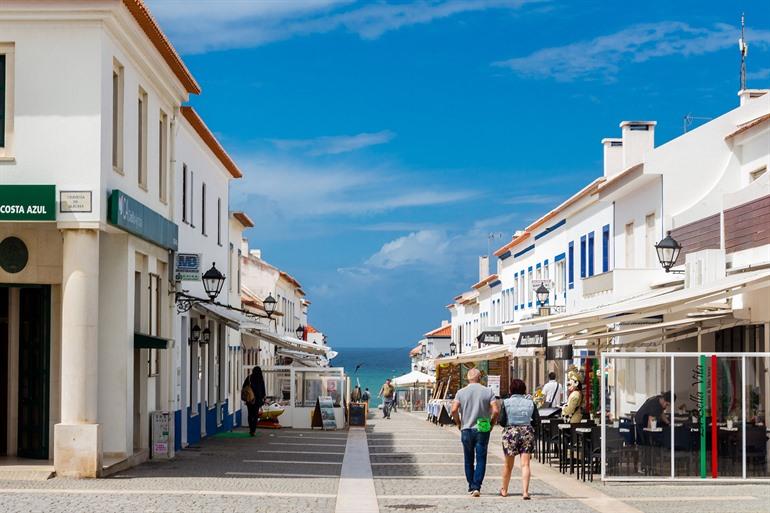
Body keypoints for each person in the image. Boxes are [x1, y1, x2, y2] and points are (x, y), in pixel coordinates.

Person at [450, 368, 499, 497]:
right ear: (480, 378)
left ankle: (471, 485)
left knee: (468, 458)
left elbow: (454, 410)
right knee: (481, 458)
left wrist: (458, 422)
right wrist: (492, 423)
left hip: (466, 428)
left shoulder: (461, 392)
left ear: (468, 378)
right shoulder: (488, 392)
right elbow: (496, 411)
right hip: (482, 427)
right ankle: (477, 486)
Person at [499, 379, 539, 500]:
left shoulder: (506, 402)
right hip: (526, 432)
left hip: (510, 432)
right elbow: (537, 421)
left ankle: (504, 490)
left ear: (511, 390)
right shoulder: (530, 403)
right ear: (524, 390)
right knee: (525, 464)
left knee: (508, 465)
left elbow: (501, 421)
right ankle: (525, 492)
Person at [243, 366, 266, 436]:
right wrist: (263, 397)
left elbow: (244, 387)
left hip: (250, 399)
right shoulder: (260, 379)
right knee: (255, 415)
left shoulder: (249, 378)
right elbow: (263, 390)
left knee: (250, 414)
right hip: (257, 400)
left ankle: (250, 429)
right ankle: (253, 430)